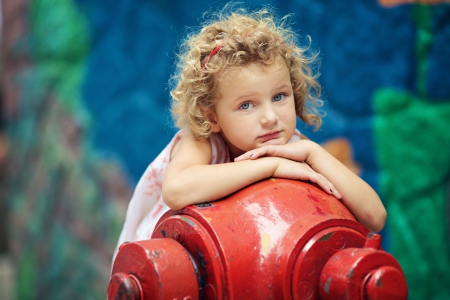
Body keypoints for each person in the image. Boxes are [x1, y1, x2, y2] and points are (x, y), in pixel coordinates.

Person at [113, 7, 387, 260]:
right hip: (167, 266)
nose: (270, 118)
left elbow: (374, 217)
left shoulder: (295, 147)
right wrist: (271, 165)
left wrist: (315, 153)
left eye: (279, 96)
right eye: (246, 105)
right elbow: (175, 190)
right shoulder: (202, 141)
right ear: (212, 116)